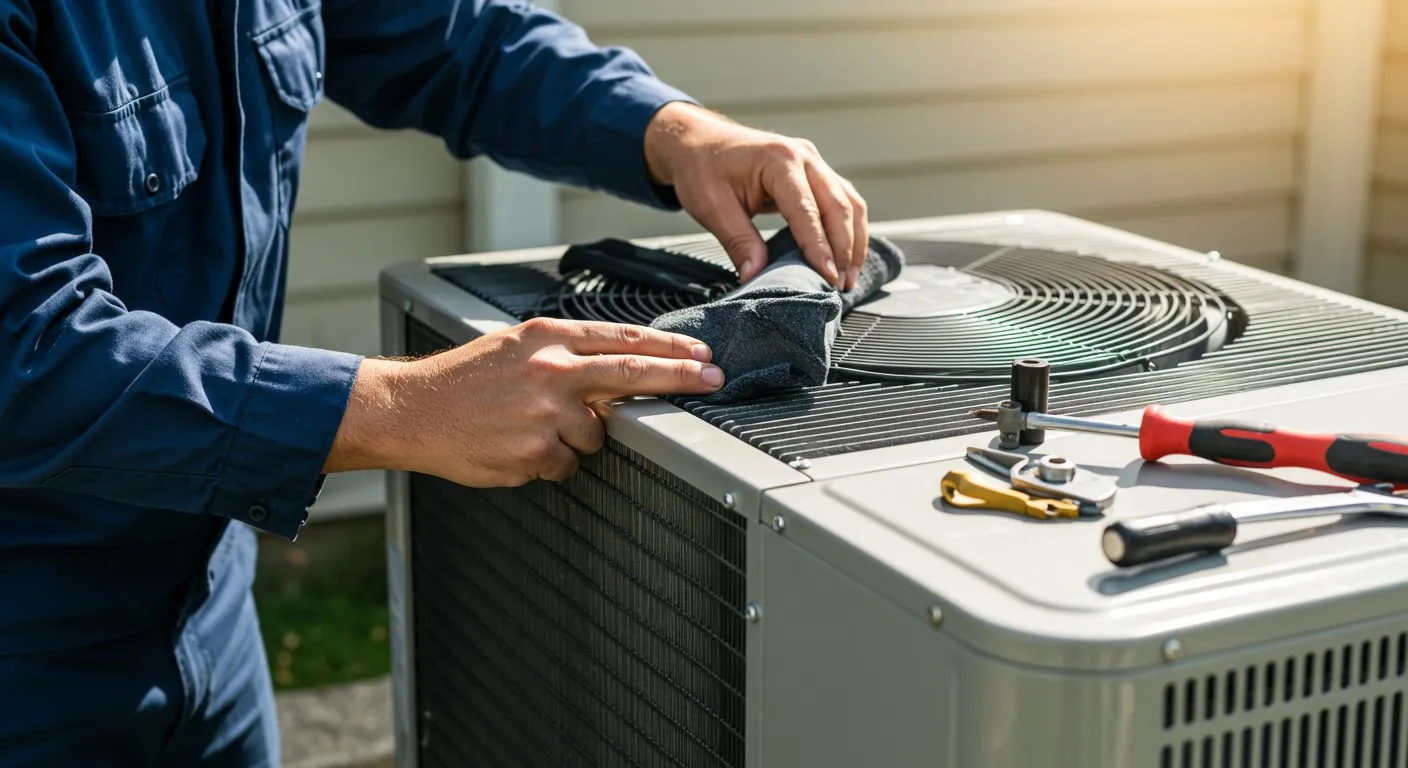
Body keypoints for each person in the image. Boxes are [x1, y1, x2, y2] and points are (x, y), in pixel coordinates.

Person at [0, 0, 869, 765]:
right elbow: (25, 348)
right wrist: (400, 405)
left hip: (210, 597)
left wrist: (677, 132)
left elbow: (463, 40)